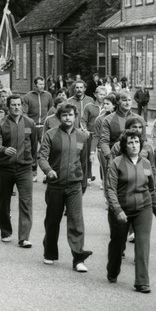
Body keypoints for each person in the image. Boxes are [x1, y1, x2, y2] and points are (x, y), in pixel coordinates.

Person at [105, 128, 156, 291]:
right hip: (121, 208)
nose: (134, 145)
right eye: (130, 142)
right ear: (125, 145)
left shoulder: (145, 164)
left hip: (143, 208)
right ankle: (112, 270)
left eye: (137, 142)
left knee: (143, 243)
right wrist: (117, 210)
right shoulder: (117, 163)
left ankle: (142, 281)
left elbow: (151, 189)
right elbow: (110, 189)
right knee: (117, 244)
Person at [38, 102, 93, 272]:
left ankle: (78, 258)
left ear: (75, 117)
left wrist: (83, 185)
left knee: (76, 221)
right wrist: (48, 170)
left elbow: (84, 163)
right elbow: (42, 157)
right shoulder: (50, 134)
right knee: (53, 220)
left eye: (70, 115)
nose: (68, 118)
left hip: (74, 185)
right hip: (55, 185)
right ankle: (49, 252)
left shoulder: (83, 137)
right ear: (59, 117)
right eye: (64, 115)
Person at [0, 95, 38, 247]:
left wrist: (34, 166)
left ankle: (24, 237)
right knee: (4, 201)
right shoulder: (1, 124)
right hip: (6, 168)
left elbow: (33, 145)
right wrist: (4, 150)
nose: (17, 107)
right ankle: (5, 231)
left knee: (26, 202)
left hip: (25, 168)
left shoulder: (30, 123)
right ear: (8, 106)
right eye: (13, 105)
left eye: (19, 104)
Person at [81, 86, 107, 182]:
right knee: (88, 155)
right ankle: (88, 176)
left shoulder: (107, 107)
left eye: (104, 95)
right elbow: (83, 120)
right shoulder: (89, 106)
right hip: (91, 134)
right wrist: (85, 130)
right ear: (95, 95)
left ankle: (102, 178)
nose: (102, 97)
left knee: (103, 156)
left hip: (103, 136)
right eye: (100, 94)